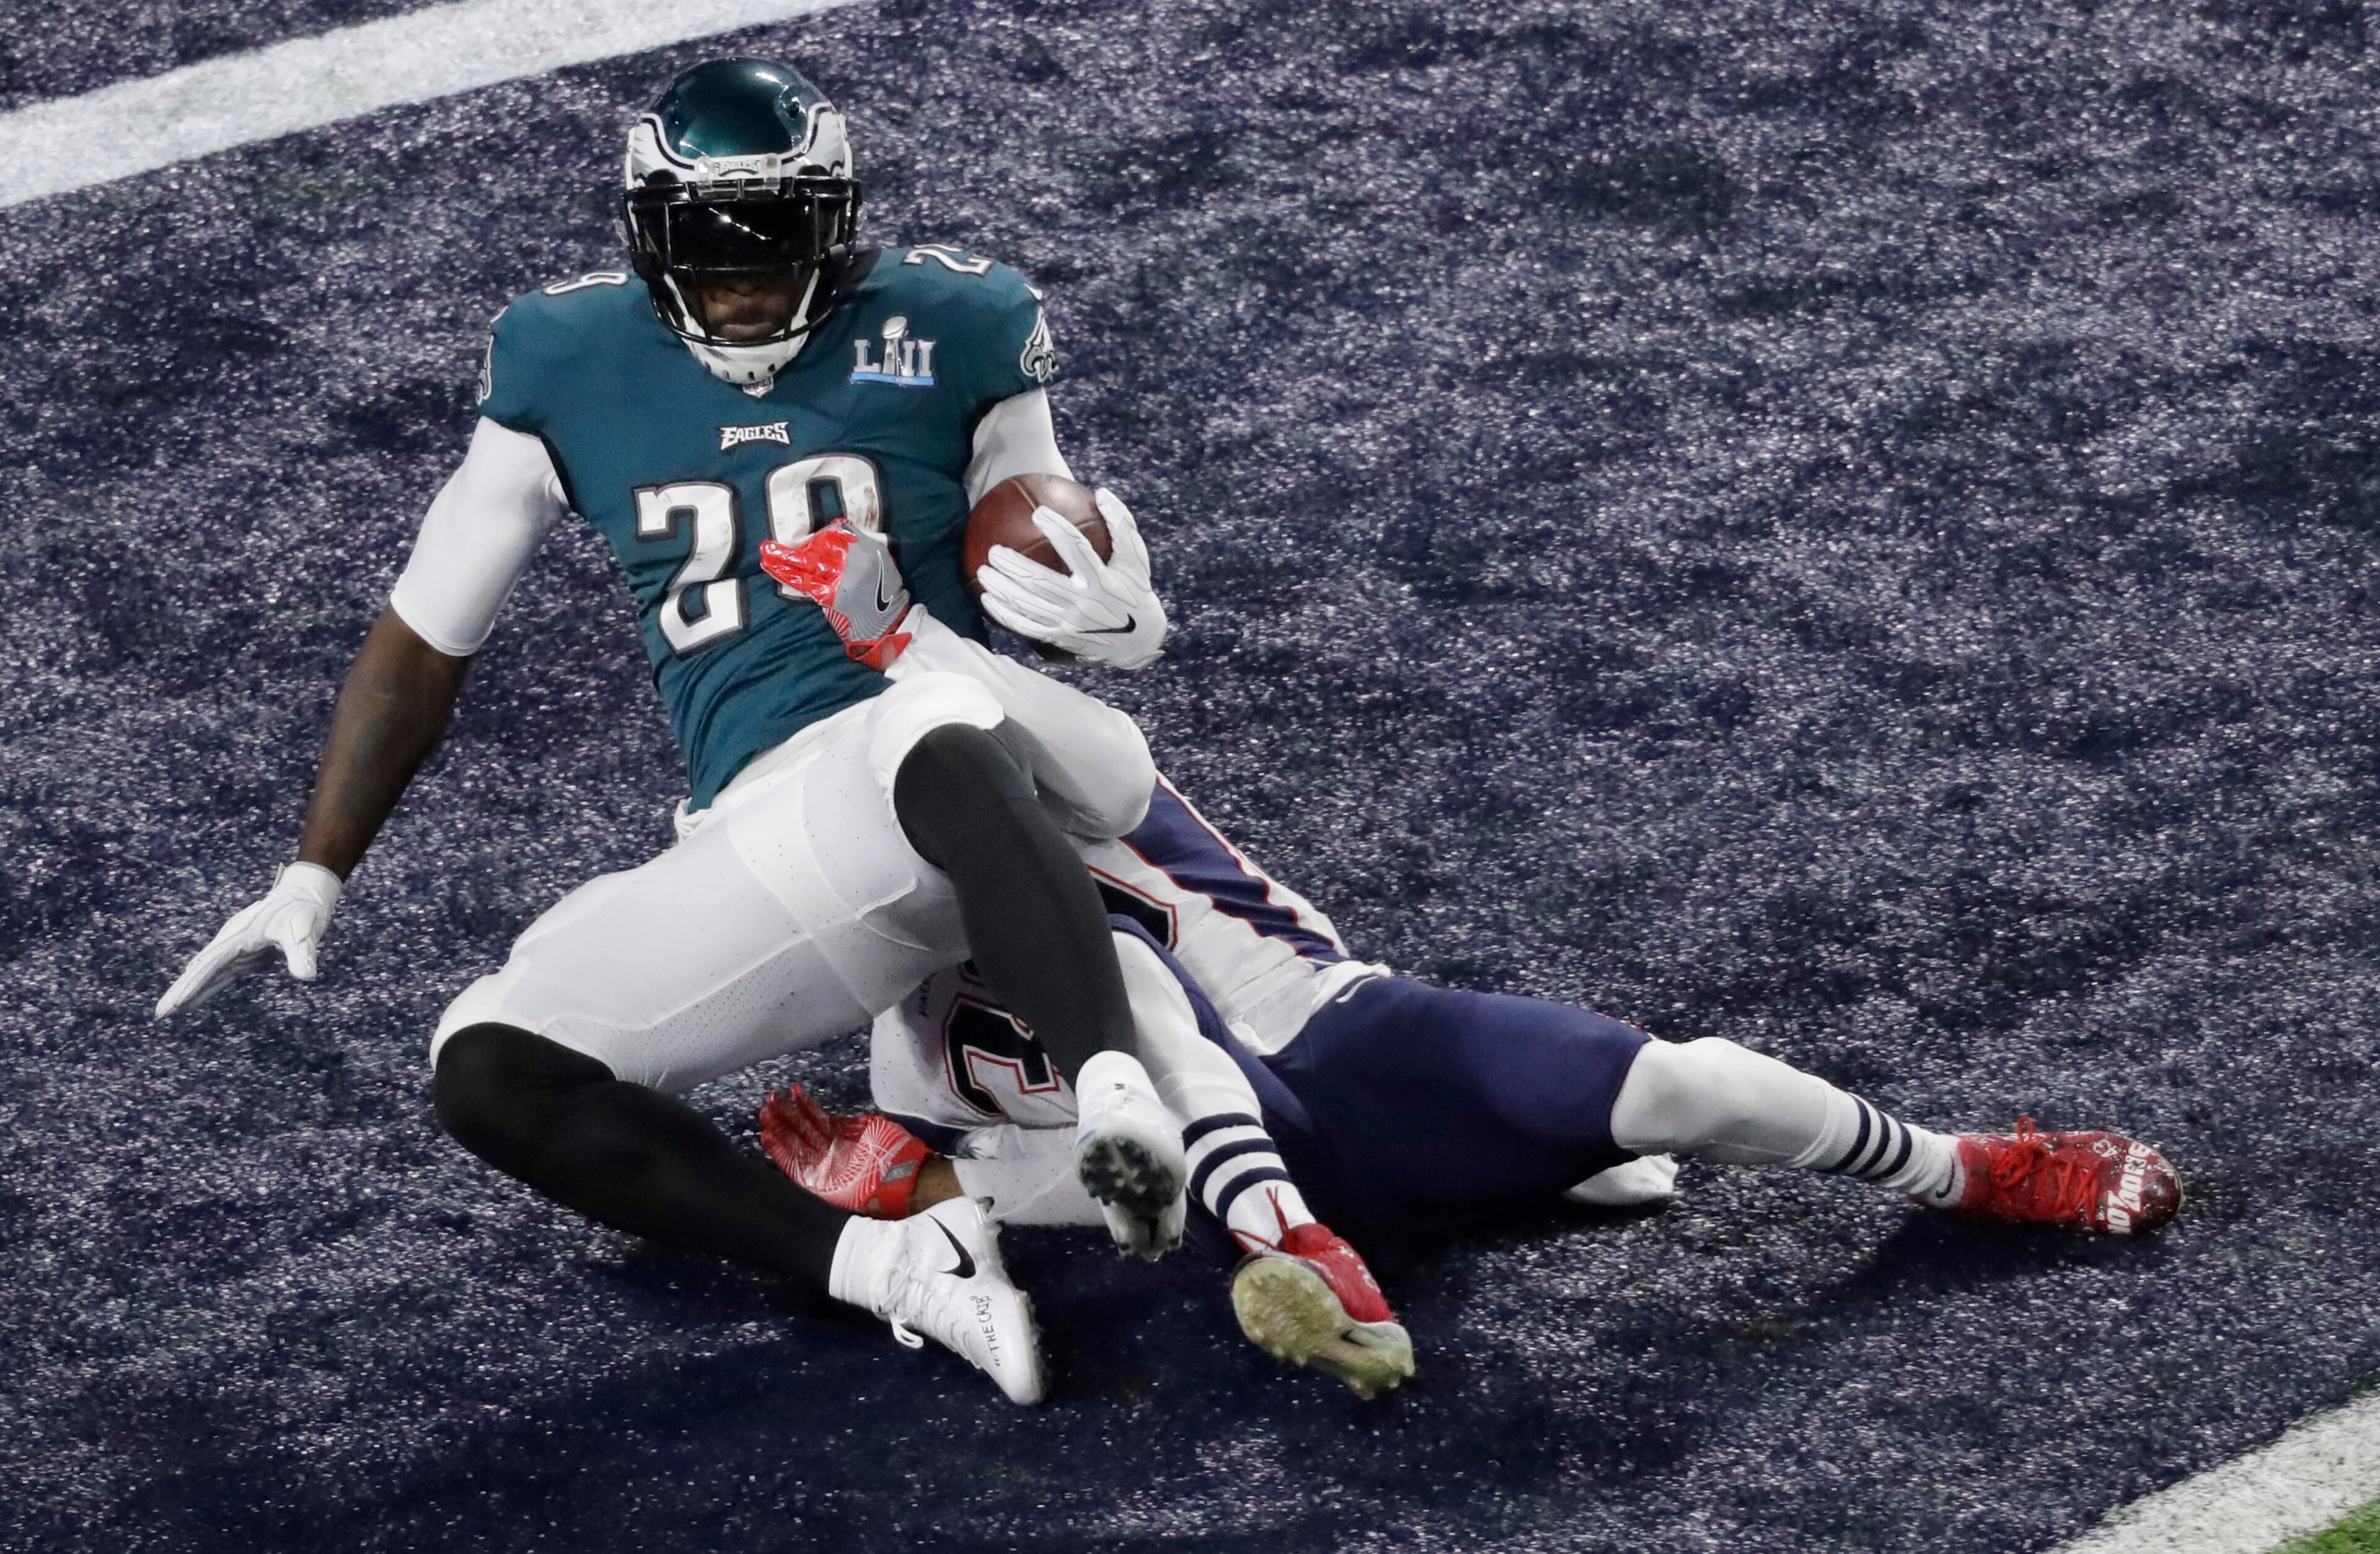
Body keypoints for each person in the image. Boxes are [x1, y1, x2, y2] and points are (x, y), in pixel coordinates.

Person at [152, 58, 1190, 1406]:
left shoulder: (959, 321)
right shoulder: (564, 356)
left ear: (838, 225)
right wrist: (317, 866)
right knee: (489, 1062)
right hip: (770, 829)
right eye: (708, 254)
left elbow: (1047, 547)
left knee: (932, 719)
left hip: (959, 773)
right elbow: (424, 634)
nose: (744, 287)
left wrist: (1119, 614)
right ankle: (896, 1273)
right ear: (648, 240)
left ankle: (1116, 1093)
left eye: (773, 250)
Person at [755, 578, 2186, 1397]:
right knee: (1113, 1004)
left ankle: (1967, 1168)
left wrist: (902, 635)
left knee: (1668, 1082)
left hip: (1351, 1040)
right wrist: (937, 1184)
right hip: (1242, 1179)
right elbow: (1058, 1155)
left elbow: (1046, 721)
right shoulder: (900, 995)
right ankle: (1309, 1237)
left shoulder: (1056, 761)